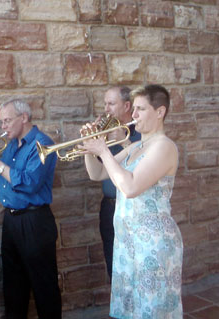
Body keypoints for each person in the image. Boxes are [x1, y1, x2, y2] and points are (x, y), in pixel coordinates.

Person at [79, 85, 183, 318]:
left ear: (160, 112)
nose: (133, 115)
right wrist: (89, 147)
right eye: (133, 109)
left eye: (141, 109)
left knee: (152, 308)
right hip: (128, 240)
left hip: (153, 244)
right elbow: (97, 174)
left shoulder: (164, 146)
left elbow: (130, 187)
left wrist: (103, 149)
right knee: (130, 308)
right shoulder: (136, 146)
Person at [0, 99, 61, 319]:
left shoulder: (43, 144)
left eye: (7, 120)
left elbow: (30, 183)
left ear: (24, 118)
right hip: (11, 221)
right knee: (13, 286)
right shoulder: (11, 145)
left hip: (35, 222)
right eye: (2, 121)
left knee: (44, 287)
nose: (3, 127)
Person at [82, 86, 141, 281]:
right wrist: (90, 146)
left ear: (126, 106)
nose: (106, 109)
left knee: (136, 266)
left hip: (134, 207)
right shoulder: (105, 131)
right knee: (114, 265)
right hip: (109, 207)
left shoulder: (139, 132)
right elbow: (96, 173)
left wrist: (123, 142)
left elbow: (140, 166)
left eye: (111, 104)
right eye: (105, 103)